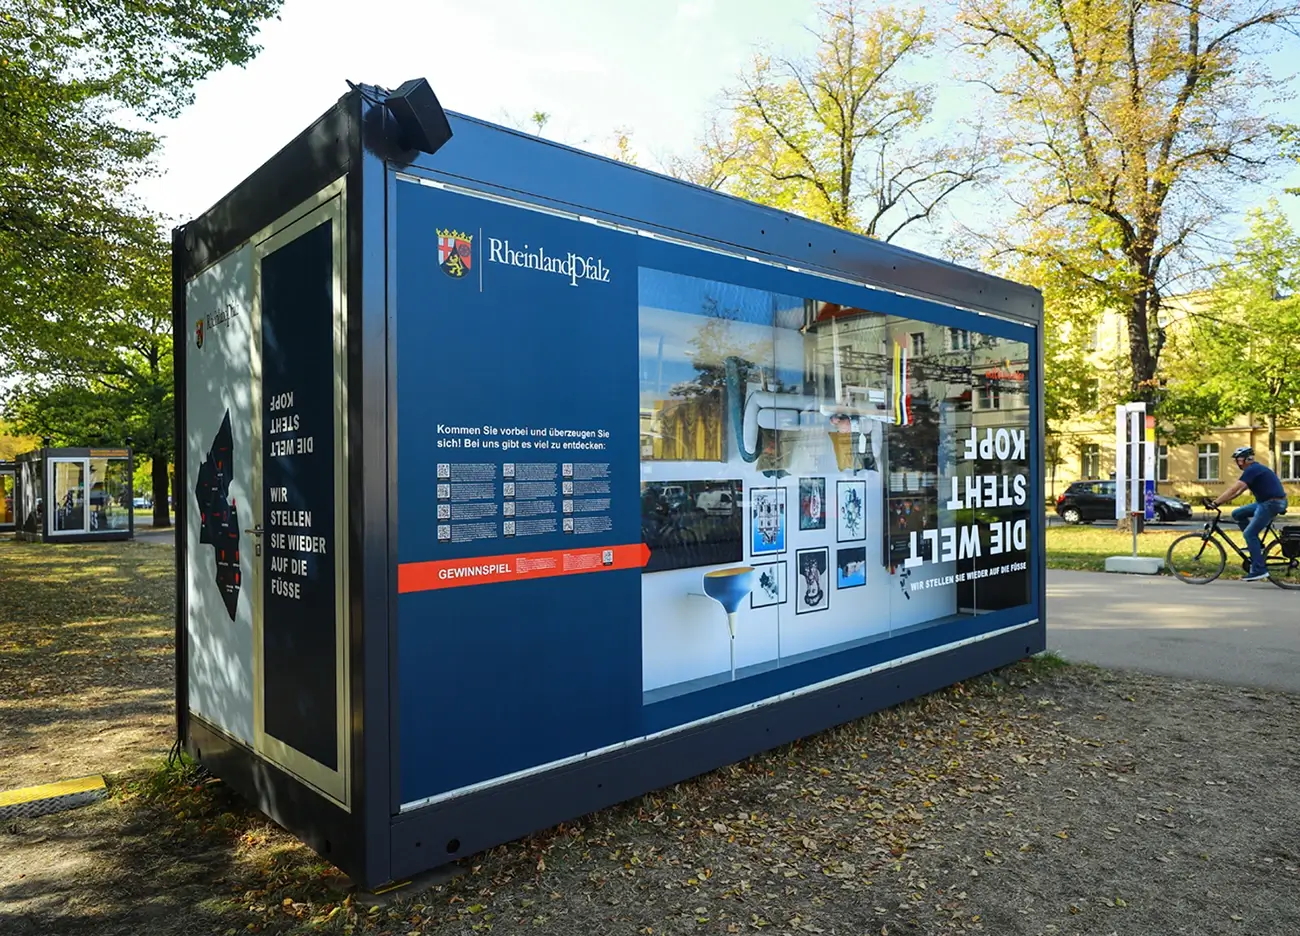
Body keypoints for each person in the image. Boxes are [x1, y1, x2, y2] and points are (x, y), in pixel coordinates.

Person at [1209, 446, 1289, 581]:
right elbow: (1238, 492)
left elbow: (1234, 489)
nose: (1237, 463)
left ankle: (1259, 570)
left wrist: (1215, 503)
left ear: (1245, 459)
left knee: (1249, 533)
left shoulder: (1252, 470)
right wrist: (1219, 502)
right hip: (1266, 502)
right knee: (1237, 514)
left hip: (1271, 503)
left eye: (1238, 460)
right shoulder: (1254, 470)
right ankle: (1256, 545)